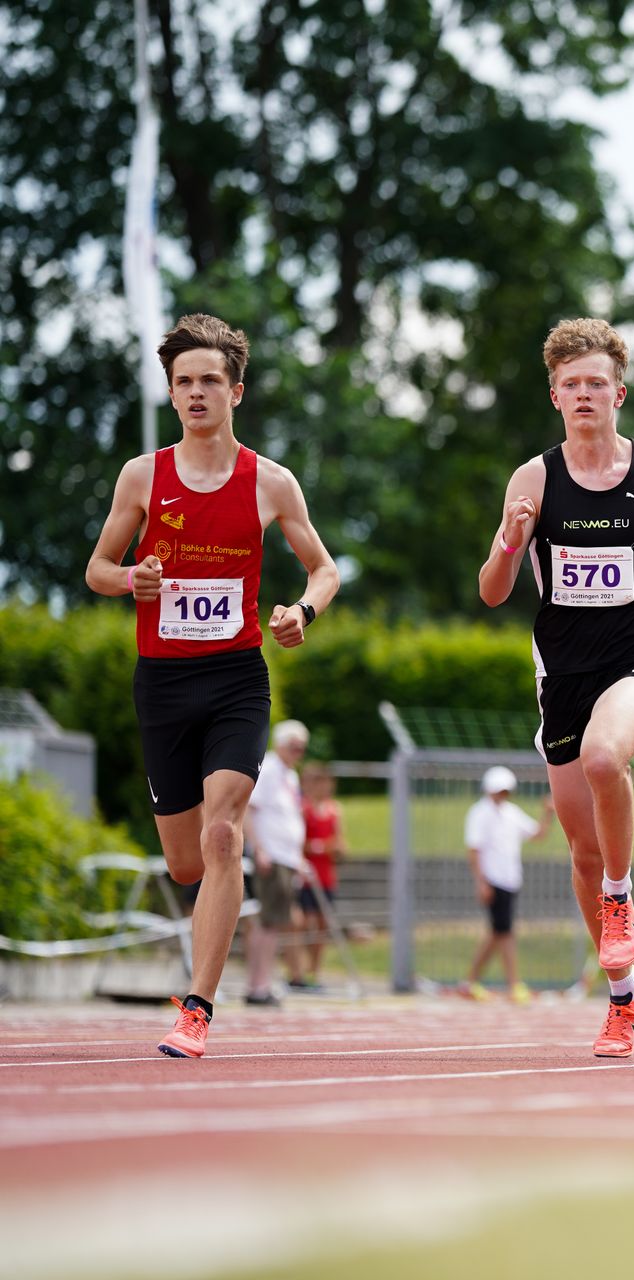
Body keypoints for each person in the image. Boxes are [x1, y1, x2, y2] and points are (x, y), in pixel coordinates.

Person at [85, 314, 339, 1058]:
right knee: (187, 862)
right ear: (171, 394)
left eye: (209, 381)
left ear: (236, 390)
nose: (196, 393)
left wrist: (303, 610)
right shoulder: (143, 476)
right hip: (162, 682)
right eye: (183, 382)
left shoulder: (270, 481)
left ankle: (198, 1007)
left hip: (235, 679)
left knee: (224, 831)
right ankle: (211, 924)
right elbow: (97, 568)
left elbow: (324, 567)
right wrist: (134, 577)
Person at [477, 318, 634, 1057]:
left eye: (597, 384)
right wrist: (508, 540)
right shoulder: (533, 478)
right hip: (562, 671)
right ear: (555, 396)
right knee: (580, 848)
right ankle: (622, 999)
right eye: (571, 385)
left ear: (619, 393)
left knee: (603, 759)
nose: (585, 395)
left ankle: (620, 900)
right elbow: (493, 593)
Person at [463, 766, 553, 1003]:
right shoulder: (479, 813)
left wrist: (548, 814)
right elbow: (473, 850)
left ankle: (470, 981)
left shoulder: (511, 812)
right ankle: (513, 984)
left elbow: (537, 835)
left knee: (496, 932)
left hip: (510, 880)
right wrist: (481, 882)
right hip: (494, 881)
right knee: (504, 933)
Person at [244, 719, 310, 1003]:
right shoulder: (270, 769)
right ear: (281, 745)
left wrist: (299, 858)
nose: (298, 753)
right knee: (268, 922)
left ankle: (261, 984)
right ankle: (258, 986)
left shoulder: (289, 775)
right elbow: (249, 809)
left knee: (273, 922)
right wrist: (259, 849)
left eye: (302, 748)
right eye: (294, 747)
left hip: (285, 857)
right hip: (271, 856)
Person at [293, 759, 345, 989]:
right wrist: (320, 846)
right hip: (306, 876)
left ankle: (314, 969)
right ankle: (299, 968)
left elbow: (340, 845)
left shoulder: (334, 810)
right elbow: (299, 842)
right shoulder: (302, 808)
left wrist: (322, 847)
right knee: (303, 923)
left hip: (325, 876)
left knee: (322, 925)